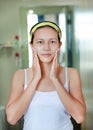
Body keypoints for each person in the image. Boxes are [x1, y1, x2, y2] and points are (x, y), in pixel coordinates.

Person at [6, 21, 86, 130]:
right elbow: (12, 118)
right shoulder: (20, 76)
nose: (46, 48)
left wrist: (55, 80)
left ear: (60, 44)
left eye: (52, 42)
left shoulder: (71, 74)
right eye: (40, 42)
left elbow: (79, 117)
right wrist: (35, 79)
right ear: (32, 45)